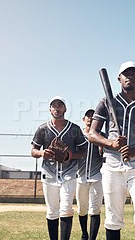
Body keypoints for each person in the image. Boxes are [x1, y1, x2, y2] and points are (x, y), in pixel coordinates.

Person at [88, 61, 135, 240]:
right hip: (112, 166)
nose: (130, 77)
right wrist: (111, 144)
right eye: (126, 74)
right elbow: (92, 134)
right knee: (113, 219)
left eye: (134, 74)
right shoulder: (106, 102)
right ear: (119, 79)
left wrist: (134, 151)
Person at [31, 96, 87, 240]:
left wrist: (70, 155)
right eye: (54, 106)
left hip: (69, 172)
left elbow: (83, 151)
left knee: (66, 209)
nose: (57, 108)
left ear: (65, 108)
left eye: (60, 105)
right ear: (50, 109)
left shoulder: (74, 129)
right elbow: (33, 151)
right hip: (49, 173)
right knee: (52, 211)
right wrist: (42, 153)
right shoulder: (43, 129)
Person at [76, 109, 105, 240]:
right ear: (83, 119)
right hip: (80, 176)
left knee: (95, 209)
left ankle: (92, 238)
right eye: (88, 116)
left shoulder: (101, 135)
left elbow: (107, 156)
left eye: (93, 117)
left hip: (96, 176)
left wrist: (103, 151)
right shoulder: (77, 135)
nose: (90, 118)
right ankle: (84, 234)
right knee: (82, 209)